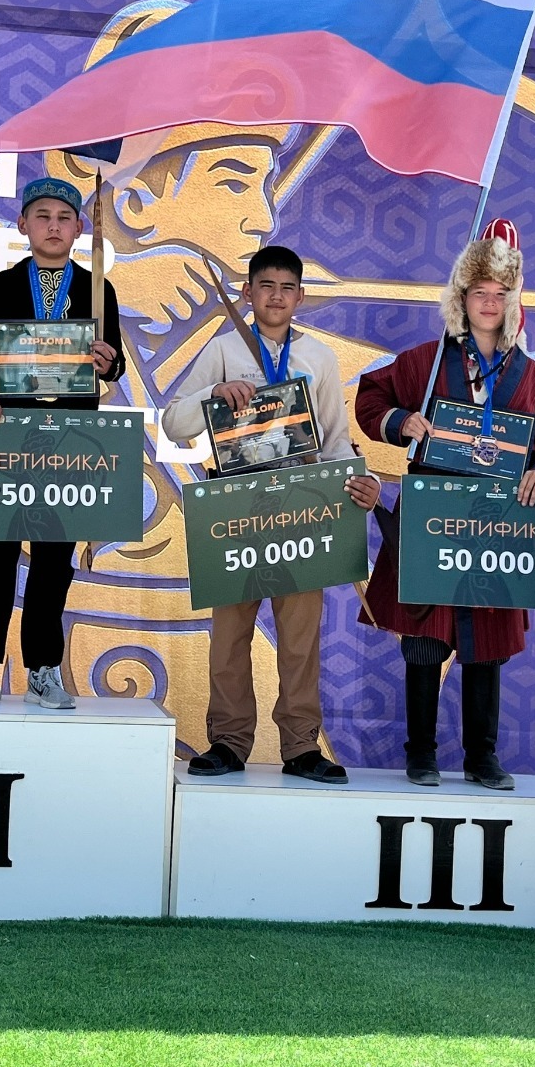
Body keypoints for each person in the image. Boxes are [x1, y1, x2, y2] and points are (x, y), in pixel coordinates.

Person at [354, 221, 535, 789]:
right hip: (435, 517)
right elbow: (370, 396)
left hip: (495, 524)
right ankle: (421, 754)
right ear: (462, 297)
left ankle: (482, 757)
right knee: (425, 641)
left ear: (512, 301)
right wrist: (401, 421)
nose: (490, 303)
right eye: (480, 292)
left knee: (486, 644)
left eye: (500, 294)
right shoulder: (428, 362)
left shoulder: (531, 376)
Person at [160, 245, 380, 783]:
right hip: (236, 506)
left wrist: (362, 480)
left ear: (300, 297)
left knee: (300, 638)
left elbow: (334, 437)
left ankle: (301, 746)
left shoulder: (319, 357)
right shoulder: (223, 348)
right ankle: (228, 742)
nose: (276, 296)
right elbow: (173, 423)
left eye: (286, 288)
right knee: (230, 635)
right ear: (248, 292)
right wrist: (215, 394)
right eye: (266, 286)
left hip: (302, 505)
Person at [0, 177, 124, 710]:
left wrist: (108, 362)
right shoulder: (3, 286)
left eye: (64, 217)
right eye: (43, 216)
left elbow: (115, 365)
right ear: (23, 225)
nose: (53, 226)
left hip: (69, 440)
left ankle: (43, 669)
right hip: (5, 438)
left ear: (79, 229)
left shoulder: (98, 290)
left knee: (55, 558)